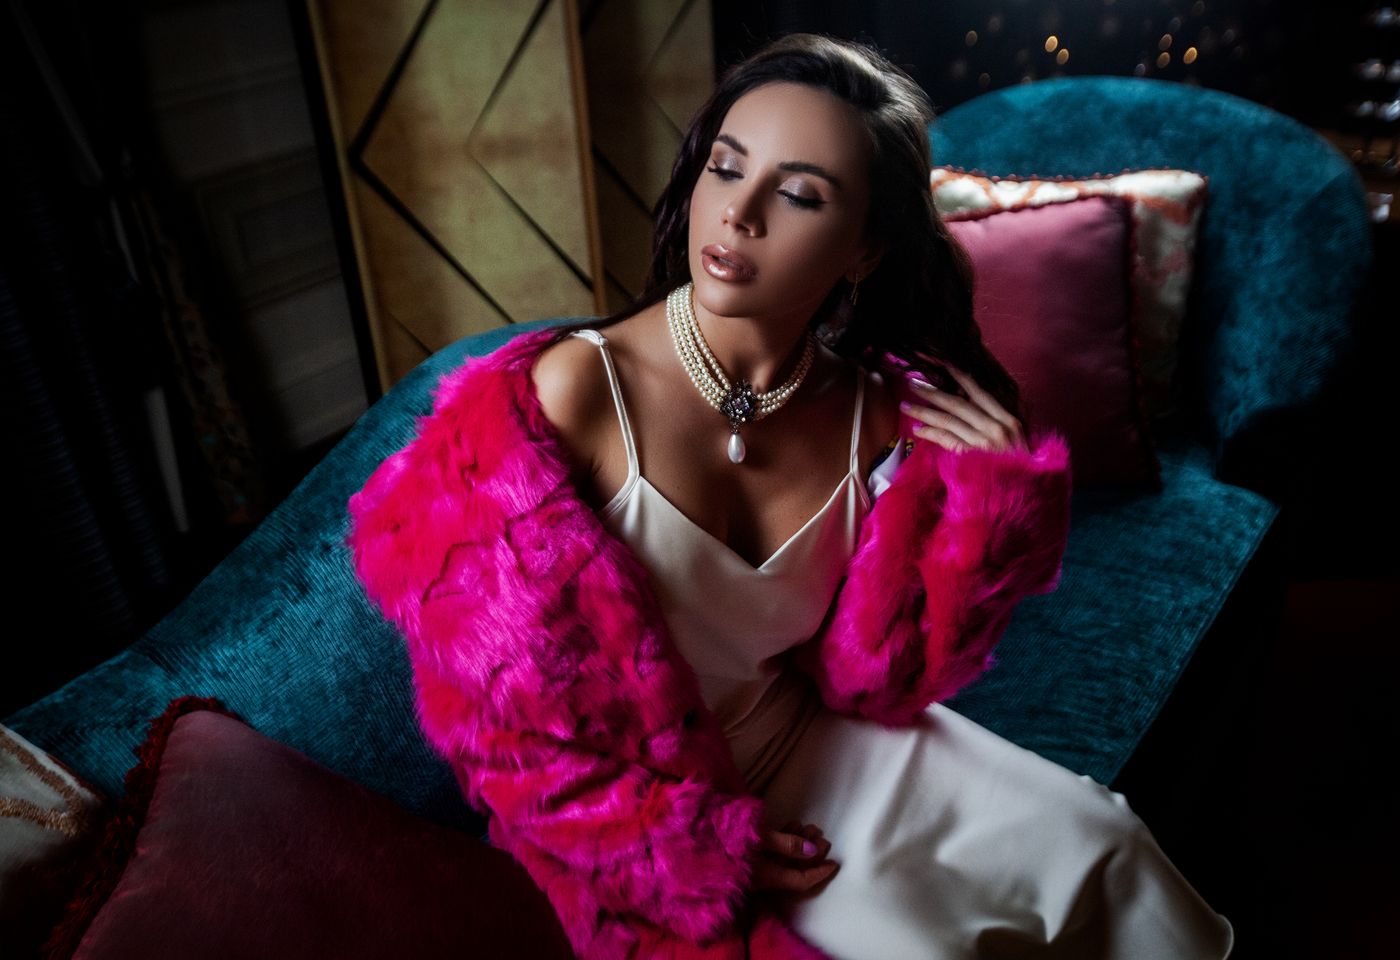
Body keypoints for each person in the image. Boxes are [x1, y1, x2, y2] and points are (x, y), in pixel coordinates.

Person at [348, 31, 1234, 960]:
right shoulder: (568, 396)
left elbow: (883, 679)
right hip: (643, 815)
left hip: (830, 741)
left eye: (799, 194)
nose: (739, 214)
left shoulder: (874, 415)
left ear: (864, 251)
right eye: (726, 169)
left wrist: (990, 508)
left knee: (1100, 845)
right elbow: (496, 728)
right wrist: (683, 844)